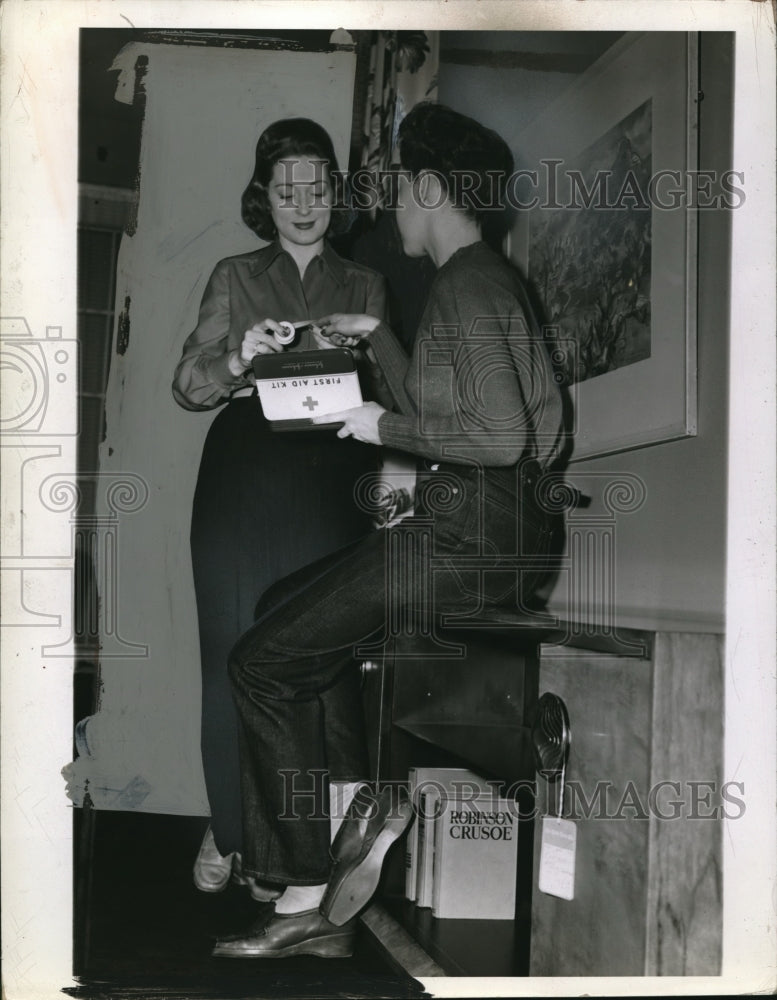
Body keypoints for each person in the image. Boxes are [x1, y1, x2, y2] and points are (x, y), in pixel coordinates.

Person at [214, 102, 565, 959]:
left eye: (402, 188)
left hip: (466, 542)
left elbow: (495, 437)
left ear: (432, 189)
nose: (393, 205)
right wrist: (378, 340)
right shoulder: (480, 280)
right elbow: (467, 416)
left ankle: (301, 893)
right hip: (492, 536)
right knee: (286, 604)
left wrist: (380, 427)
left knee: (259, 663)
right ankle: (358, 815)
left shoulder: (468, 284)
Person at [172, 118, 387, 899]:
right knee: (229, 657)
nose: (302, 202)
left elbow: (392, 392)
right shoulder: (235, 275)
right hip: (243, 477)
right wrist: (238, 358)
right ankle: (230, 828)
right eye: (285, 186)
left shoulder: (364, 283)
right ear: (264, 196)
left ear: (335, 192)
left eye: (317, 185)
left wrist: (362, 359)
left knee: (315, 667)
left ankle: (288, 853)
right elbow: (188, 386)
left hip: (330, 477)